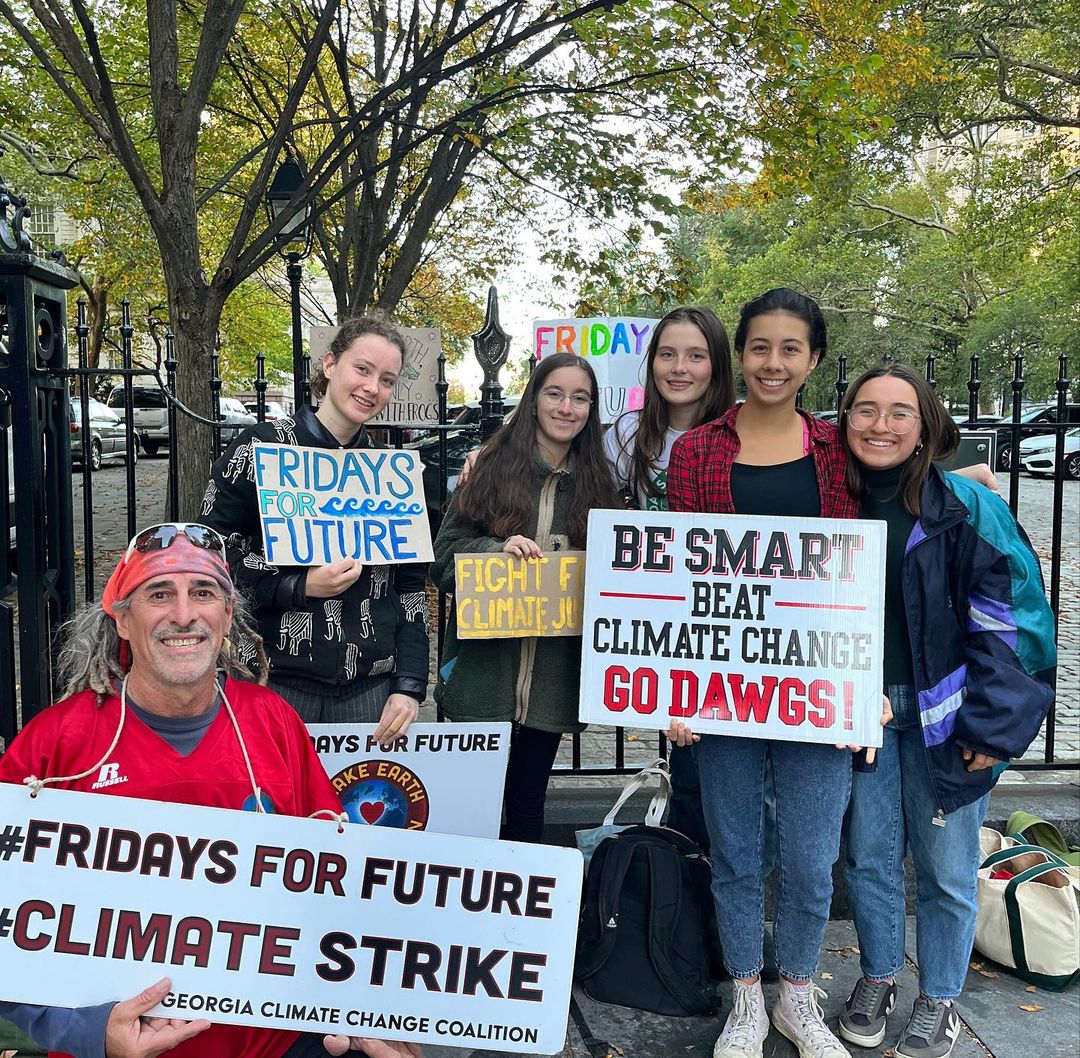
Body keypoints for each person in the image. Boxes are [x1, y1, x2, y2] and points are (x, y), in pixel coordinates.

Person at [0, 522, 419, 1058]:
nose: (183, 614)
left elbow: (332, 893)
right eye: (158, 594)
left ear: (227, 615)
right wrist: (86, 1032)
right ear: (122, 620)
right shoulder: (58, 744)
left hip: (273, 1044)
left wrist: (364, 1012)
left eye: (203, 593)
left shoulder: (271, 720)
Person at [666, 288, 875, 1058]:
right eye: (760, 347)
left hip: (819, 685)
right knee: (736, 853)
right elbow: (675, 579)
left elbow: (878, 551)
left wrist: (973, 474)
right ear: (741, 355)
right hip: (721, 687)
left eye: (791, 348)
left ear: (813, 359)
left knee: (813, 858)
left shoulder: (839, 450)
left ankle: (797, 995)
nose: (773, 362)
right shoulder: (696, 452)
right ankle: (746, 999)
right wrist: (674, 687)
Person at [835, 365, 1055, 1058]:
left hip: (950, 717)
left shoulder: (968, 507)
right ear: (844, 420)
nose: (880, 425)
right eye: (865, 409)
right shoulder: (830, 503)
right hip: (858, 716)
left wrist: (993, 726)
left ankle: (939, 996)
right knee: (868, 859)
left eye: (899, 412)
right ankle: (878, 976)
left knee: (947, 870)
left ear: (927, 425)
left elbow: (1013, 620)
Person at [201, 316, 428, 737]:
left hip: (369, 689)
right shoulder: (260, 446)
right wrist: (297, 585)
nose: (372, 388)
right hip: (272, 680)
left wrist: (409, 685)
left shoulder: (390, 471)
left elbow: (410, 586)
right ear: (329, 364)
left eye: (387, 380)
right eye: (362, 369)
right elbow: (210, 553)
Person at [429, 352, 619, 842]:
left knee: (528, 805)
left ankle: (522, 894)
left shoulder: (601, 484)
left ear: (591, 409)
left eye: (580, 398)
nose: (566, 407)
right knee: (473, 812)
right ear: (533, 399)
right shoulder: (487, 469)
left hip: (553, 682)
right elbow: (442, 560)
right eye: (554, 393)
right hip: (480, 679)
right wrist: (495, 552)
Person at [602, 306, 735, 851]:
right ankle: (693, 880)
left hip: (734, 619)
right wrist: (484, 455)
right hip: (664, 625)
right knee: (688, 760)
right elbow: (576, 487)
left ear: (717, 364)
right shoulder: (626, 434)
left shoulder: (745, 429)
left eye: (696, 356)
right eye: (667, 354)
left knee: (732, 765)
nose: (680, 368)